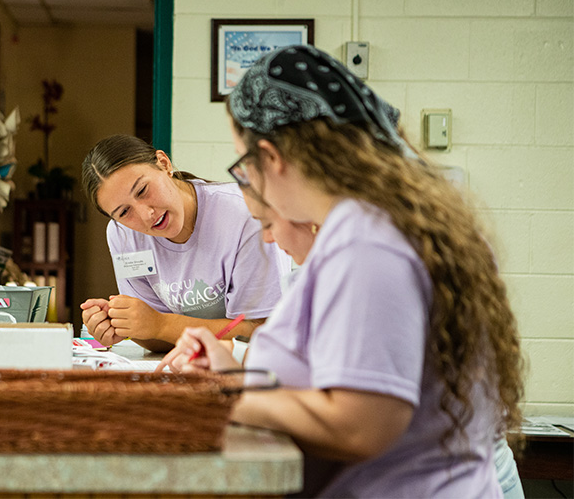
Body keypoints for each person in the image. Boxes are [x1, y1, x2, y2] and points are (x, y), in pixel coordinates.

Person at [160, 45, 525, 497]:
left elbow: (360, 425)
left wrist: (228, 397)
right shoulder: (386, 222)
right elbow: (334, 387)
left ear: (272, 158)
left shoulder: (367, 239)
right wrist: (230, 374)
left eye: (243, 162)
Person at [79, 134, 291, 352]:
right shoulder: (122, 235)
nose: (146, 214)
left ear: (163, 163)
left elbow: (261, 332)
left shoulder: (245, 215)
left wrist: (160, 324)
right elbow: (157, 338)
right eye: (124, 212)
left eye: (143, 190)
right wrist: (123, 325)